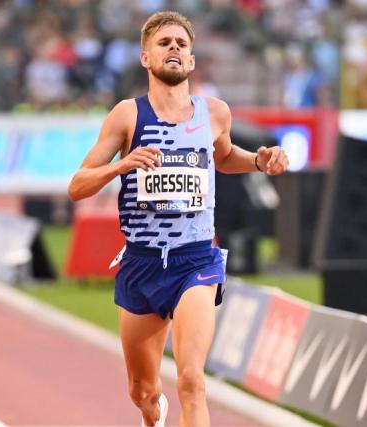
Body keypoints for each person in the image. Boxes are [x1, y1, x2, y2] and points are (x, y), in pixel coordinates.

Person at [68, 11, 288, 427]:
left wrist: (259, 161)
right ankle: (154, 415)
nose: (174, 48)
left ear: (190, 60)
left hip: (196, 260)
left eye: (181, 44)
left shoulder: (215, 113)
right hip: (141, 263)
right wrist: (121, 165)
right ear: (145, 58)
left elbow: (224, 157)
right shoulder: (127, 116)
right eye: (164, 42)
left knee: (192, 380)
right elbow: (77, 185)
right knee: (143, 391)